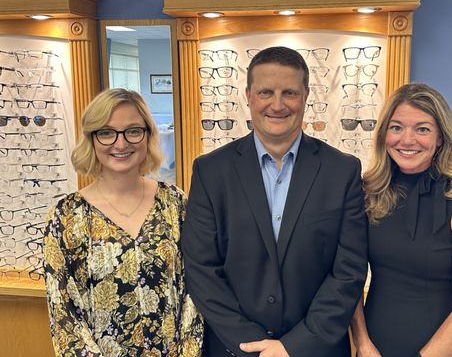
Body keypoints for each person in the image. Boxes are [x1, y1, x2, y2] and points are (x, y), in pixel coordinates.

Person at [182, 46, 368, 357]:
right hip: (235, 350)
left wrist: (294, 347)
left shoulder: (342, 171)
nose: (277, 104)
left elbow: (348, 270)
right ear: (248, 95)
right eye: (266, 92)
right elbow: (201, 269)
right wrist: (252, 347)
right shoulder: (210, 171)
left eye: (289, 93)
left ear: (306, 95)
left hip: (316, 349)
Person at [43, 88, 203, 357]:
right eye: (106, 132)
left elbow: (195, 290)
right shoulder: (66, 216)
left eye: (133, 131)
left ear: (148, 135)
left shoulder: (175, 203)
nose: (120, 144)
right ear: (92, 139)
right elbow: (64, 315)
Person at [351, 83, 452, 357]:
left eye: (422, 129)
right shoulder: (367, 194)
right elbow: (348, 279)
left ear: (440, 137)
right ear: (383, 134)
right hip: (373, 350)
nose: (407, 140)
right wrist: (363, 345)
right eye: (396, 127)